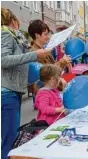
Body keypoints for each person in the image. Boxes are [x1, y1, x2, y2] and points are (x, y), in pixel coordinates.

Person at [1, 8, 50, 159]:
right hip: (7, 92)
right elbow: (3, 60)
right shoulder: (6, 34)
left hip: (13, 91)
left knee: (11, 137)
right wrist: (33, 55)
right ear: (13, 21)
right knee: (10, 140)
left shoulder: (12, 36)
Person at [28, 20, 71, 108]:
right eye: (45, 34)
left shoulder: (44, 50)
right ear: (37, 35)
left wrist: (63, 63)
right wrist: (62, 62)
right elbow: (45, 73)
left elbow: (53, 68)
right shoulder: (35, 52)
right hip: (44, 90)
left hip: (51, 88)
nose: (48, 37)